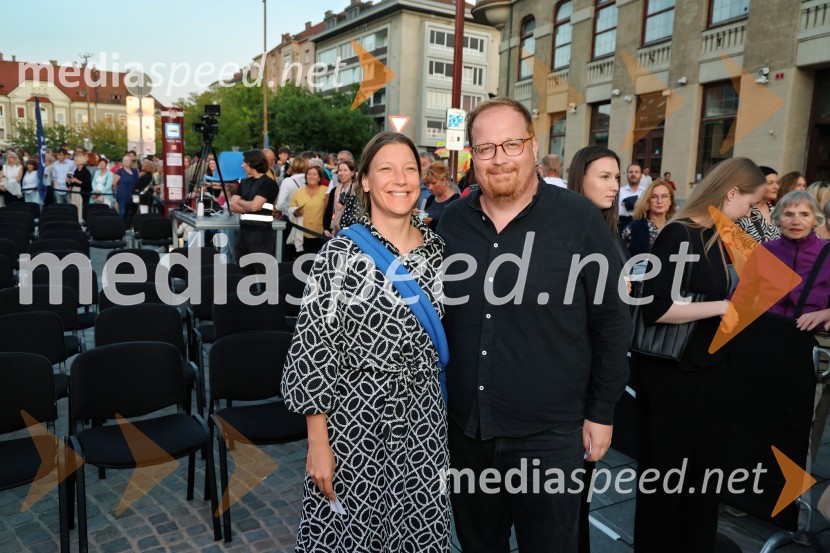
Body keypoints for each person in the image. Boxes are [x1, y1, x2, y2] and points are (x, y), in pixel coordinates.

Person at [437, 96, 631, 552]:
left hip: (550, 437)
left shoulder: (577, 218)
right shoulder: (452, 222)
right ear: (472, 156)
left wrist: (602, 413)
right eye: (486, 148)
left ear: (533, 145)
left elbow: (612, 321)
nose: (499, 158)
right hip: (468, 433)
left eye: (512, 144)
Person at [282, 131, 450, 552]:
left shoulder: (439, 253)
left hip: (423, 425)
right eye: (386, 169)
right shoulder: (339, 255)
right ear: (366, 182)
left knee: (418, 533)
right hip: (355, 424)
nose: (401, 179)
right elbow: (312, 350)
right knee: (352, 537)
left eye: (410, 168)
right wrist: (318, 445)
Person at [632, 157, 766, 553]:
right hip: (673, 377)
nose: (753, 213)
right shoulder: (680, 234)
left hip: (707, 370)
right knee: (666, 478)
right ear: (731, 194)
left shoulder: (720, 235)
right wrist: (722, 308)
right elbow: (656, 308)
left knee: (702, 476)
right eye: (751, 204)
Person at [229, 149, 278, 271]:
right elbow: (232, 206)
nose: (242, 165)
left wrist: (241, 202)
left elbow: (254, 206)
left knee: (263, 274)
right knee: (243, 273)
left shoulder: (268, 183)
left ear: (253, 162)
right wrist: (249, 205)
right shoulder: (244, 182)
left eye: (245, 162)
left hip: (261, 235)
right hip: (243, 233)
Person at [622, 178, 677, 257]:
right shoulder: (632, 229)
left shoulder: (676, 228)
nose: (659, 201)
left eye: (664, 196)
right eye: (654, 197)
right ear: (647, 201)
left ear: (670, 201)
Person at [288, 165, 329, 255]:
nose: (311, 176)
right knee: (301, 262)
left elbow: (330, 211)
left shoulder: (326, 191)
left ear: (319, 178)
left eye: (314, 174)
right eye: (309, 174)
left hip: (320, 234)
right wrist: (295, 212)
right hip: (301, 233)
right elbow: (290, 209)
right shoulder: (298, 192)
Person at [737, 165, 781, 243]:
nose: (776, 187)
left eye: (777, 183)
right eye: (770, 183)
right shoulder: (743, 212)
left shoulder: (776, 212)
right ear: (757, 185)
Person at [420, 161, 460, 230]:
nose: (430, 187)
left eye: (433, 183)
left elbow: (455, 227)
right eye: (427, 183)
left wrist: (433, 223)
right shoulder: (431, 198)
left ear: (444, 180)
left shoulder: (456, 201)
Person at [323, 159, 358, 236]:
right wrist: (326, 228)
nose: (342, 173)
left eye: (345, 170)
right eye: (340, 170)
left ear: (352, 173)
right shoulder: (334, 190)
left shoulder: (357, 190)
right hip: (334, 230)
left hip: (351, 232)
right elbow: (329, 210)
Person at [112, 154, 139, 227]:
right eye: (125, 160)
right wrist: (118, 191)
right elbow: (114, 183)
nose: (126, 161)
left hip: (133, 195)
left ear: (130, 161)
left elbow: (137, 181)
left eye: (128, 160)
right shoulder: (120, 171)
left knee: (130, 213)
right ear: (122, 162)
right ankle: (120, 228)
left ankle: (127, 229)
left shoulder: (135, 170)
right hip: (122, 195)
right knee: (122, 212)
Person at [66, 153, 92, 220]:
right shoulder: (76, 170)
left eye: (76, 160)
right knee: (75, 207)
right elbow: (70, 184)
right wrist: (68, 181)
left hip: (81, 193)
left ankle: (81, 222)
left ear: (80, 161)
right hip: (74, 191)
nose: (74, 161)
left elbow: (88, 184)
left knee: (80, 208)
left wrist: (77, 181)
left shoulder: (86, 171)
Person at [619, 163, 644, 231]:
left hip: (641, 224)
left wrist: (627, 204)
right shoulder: (619, 191)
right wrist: (639, 203)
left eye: (636, 172)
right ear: (627, 174)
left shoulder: (646, 192)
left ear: (641, 175)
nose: (633, 174)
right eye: (630, 172)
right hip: (622, 225)